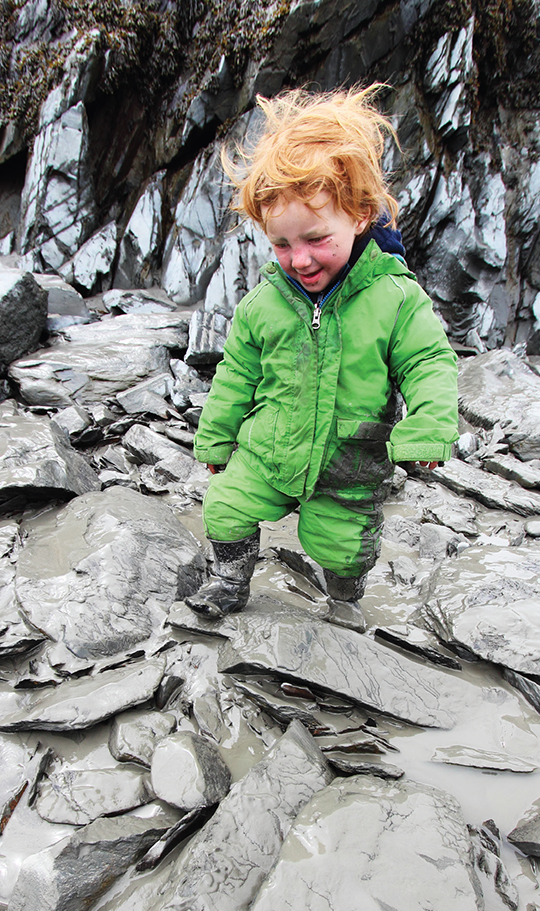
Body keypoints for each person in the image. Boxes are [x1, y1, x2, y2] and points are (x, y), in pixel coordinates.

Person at [185, 86, 458, 632]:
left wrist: (428, 428)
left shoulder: (394, 297)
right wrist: (215, 438)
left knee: (343, 546)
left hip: (348, 465)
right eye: (282, 245)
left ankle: (343, 597)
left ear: (359, 216)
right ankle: (230, 579)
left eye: (315, 238)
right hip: (269, 450)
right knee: (225, 507)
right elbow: (235, 375)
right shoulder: (264, 303)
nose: (300, 259)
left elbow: (430, 362)